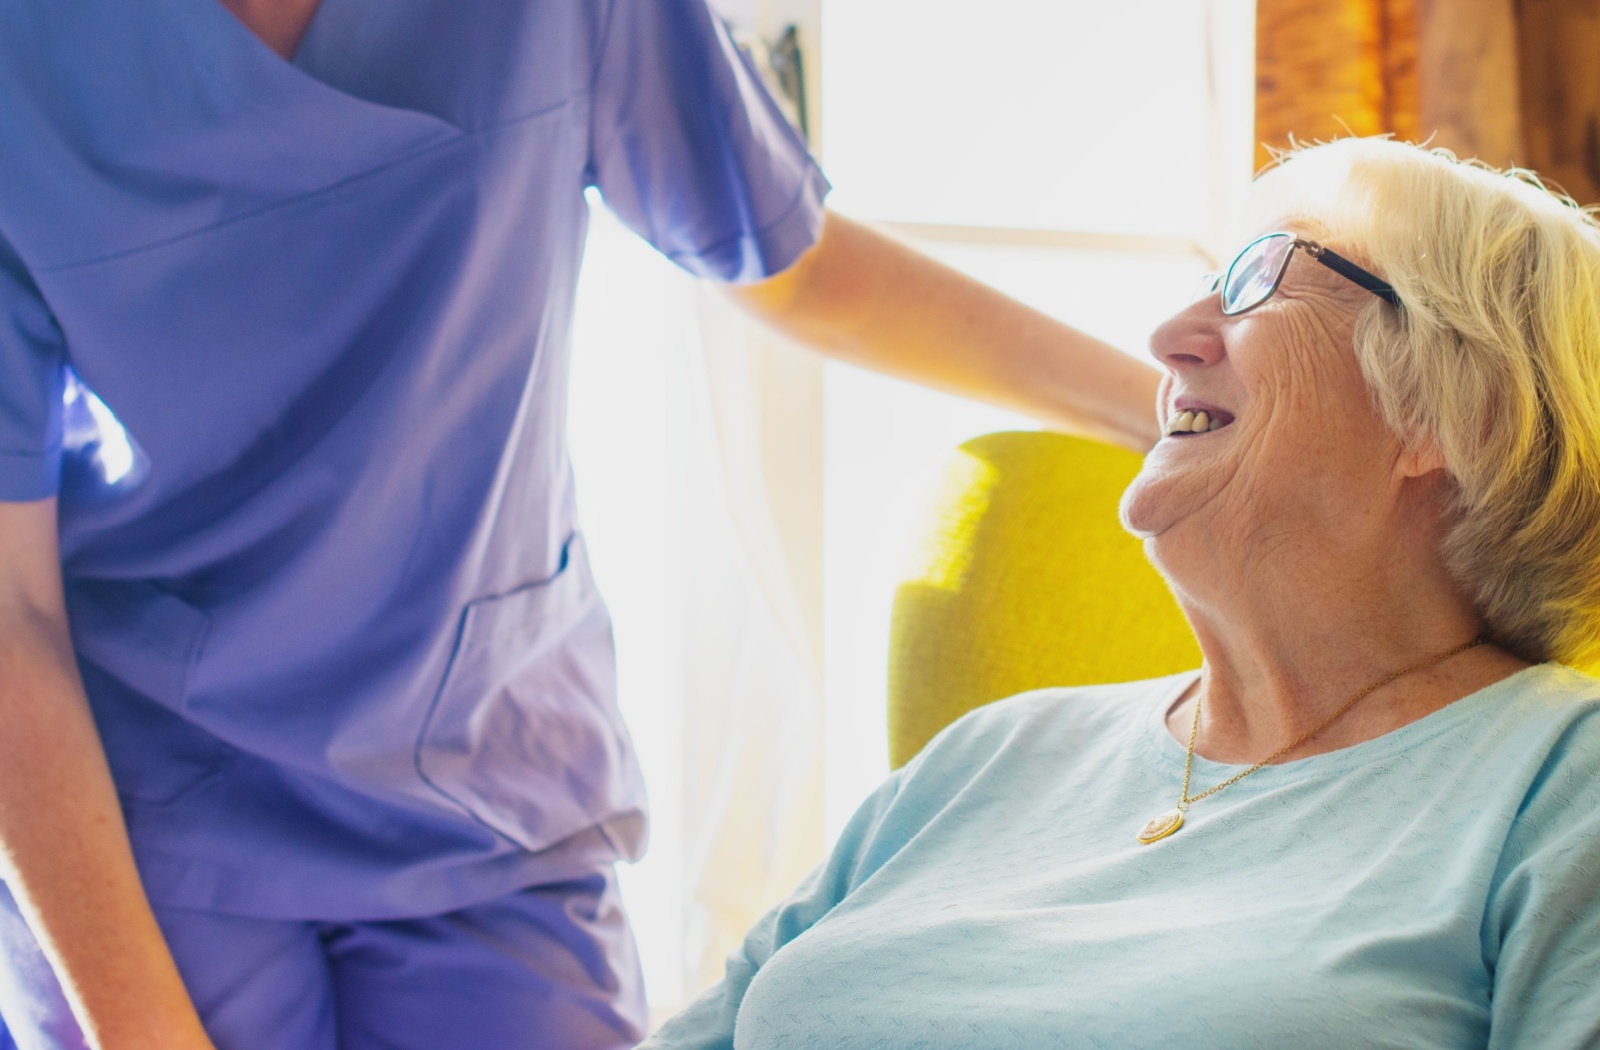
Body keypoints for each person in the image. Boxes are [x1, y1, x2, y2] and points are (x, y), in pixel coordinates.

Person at [0, 1, 1163, 1048]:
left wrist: (1165, 408)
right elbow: (11, 610)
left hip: (489, 783)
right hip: (148, 807)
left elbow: (795, 265)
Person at [642, 138, 1600, 1049]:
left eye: (1258, 279)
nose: (1167, 338)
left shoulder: (1563, 783)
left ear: (1449, 411)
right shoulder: (990, 753)